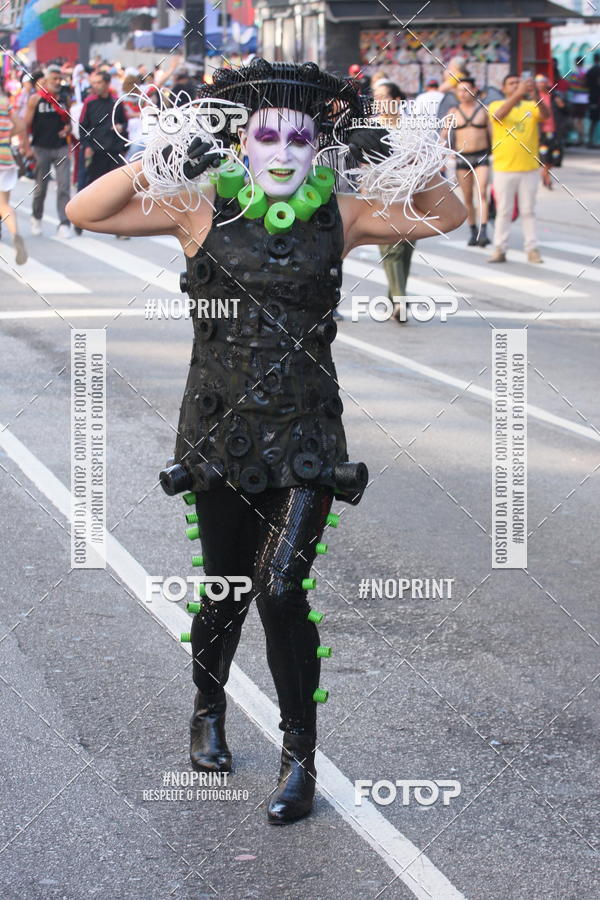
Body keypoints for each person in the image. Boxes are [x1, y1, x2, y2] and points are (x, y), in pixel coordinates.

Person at [66, 58, 465, 826]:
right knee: (227, 590)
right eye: (266, 135)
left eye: (300, 138)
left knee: (282, 590)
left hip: (309, 430)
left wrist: (383, 149)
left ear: (319, 149)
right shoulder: (197, 210)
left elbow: (447, 211)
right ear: (244, 143)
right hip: (219, 430)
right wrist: (174, 147)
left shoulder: (340, 217)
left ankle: (299, 759)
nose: (283, 151)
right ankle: (208, 710)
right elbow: (87, 210)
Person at [487, 73, 549, 264]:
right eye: (511, 84)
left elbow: (546, 115)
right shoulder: (496, 105)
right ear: (504, 88)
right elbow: (499, 116)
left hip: (529, 167)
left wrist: (537, 93)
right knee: (504, 210)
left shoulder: (530, 106)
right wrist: (518, 94)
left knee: (528, 210)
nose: (515, 86)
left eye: (518, 83)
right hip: (504, 168)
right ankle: (500, 248)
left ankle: (532, 248)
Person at [372, 79, 415, 321]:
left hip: (410, 193)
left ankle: (393, 299)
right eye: (375, 98)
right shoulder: (371, 127)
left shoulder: (411, 127)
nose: (378, 103)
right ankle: (400, 300)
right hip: (383, 193)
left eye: (383, 98)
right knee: (391, 247)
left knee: (406, 247)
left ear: (397, 101)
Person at [441, 77, 491, 246]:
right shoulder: (453, 112)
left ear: (474, 90)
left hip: (481, 156)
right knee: (467, 196)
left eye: (466, 89)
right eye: (460, 90)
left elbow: (492, 133)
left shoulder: (483, 110)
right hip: (463, 158)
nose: (463, 94)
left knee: (482, 192)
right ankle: (473, 230)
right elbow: (444, 135)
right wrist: (440, 155)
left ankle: (483, 230)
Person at [25, 64, 72, 238]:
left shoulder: (65, 99)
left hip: (60, 147)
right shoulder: (36, 99)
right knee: (40, 188)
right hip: (41, 148)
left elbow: (69, 122)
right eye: (55, 79)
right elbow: (26, 124)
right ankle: (36, 217)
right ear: (46, 80)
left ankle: (64, 222)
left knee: (64, 186)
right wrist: (26, 146)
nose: (58, 82)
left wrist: (67, 129)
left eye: (60, 79)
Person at [0, 79, 29, 264]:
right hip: (6, 156)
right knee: (4, 205)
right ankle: (15, 234)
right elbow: (21, 125)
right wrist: (5, 136)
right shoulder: (5, 102)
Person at [535, 73, 565, 189]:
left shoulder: (554, 96)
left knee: (554, 156)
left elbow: (566, 110)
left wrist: (562, 105)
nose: (540, 84)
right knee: (544, 156)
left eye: (543, 81)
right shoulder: (533, 98)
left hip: (554, 130)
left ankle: (546, 173)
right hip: (541, 132)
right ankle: (546, 176)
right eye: (538, 82)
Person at [585, 52, 600, 147]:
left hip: (592, 98)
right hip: (597, 97)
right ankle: (593, 141)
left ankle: (590, 140)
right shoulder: (598, 70)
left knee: (593, 120)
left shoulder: (590, 71)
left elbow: (585, 84)